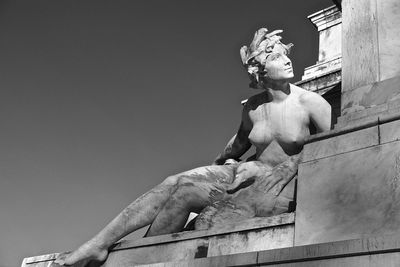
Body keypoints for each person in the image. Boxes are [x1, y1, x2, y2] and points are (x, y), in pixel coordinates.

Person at [54, 27, 331, 266]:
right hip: (244, 172)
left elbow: (338, 143)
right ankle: (101, 243)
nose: (286, 60)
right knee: (174, 181)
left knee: (184, 194)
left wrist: (292, 164)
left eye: (285, 53)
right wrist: (218, 163)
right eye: (276, 56)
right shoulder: (254, 108)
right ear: (258, 70)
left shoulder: (311, 103)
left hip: (275, 184)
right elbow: (238, 142)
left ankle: (139, 255)